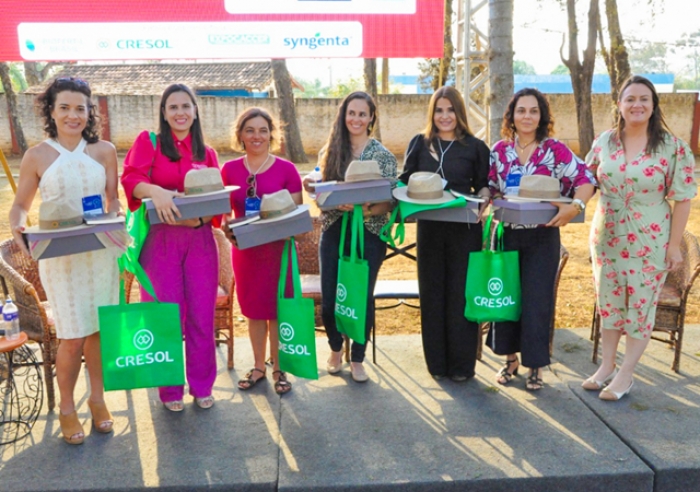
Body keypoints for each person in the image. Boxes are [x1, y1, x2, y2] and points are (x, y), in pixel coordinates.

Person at [9, 77, 121, 444]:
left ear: (90, 112)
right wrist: (17, 225)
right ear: (51, 111)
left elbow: (113, 200)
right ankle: (68, 409)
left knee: (99, 331)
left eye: (80, 108)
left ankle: (98, 400)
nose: (73, 115)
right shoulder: (37, 155)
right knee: (72, 337)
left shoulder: (104, 150)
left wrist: (116, 216)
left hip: (99, 252)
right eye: (65, 108)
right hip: (61, 260)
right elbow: (21, 204)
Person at [584, 75, 697, 400]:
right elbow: (585, 180)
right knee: (609, 304)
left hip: (651, 240)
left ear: (653, 105)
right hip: (607, 239)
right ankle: (606, 366)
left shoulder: (672, 147)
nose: (637, 105)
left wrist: (673, 245)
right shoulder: (604, 142)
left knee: (640, 308)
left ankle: (625, 374)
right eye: (630, 99)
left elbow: (683, 197)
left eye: (644, 99)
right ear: (619, 105)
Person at [488, 87, 596, 391]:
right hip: (506, 235)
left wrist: (576, 205)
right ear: (511, 115)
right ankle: (510, 359)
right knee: (506, 300)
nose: (527, 116)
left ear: (541, 116)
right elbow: (490, 188)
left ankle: (535, 365)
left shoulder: (554, 149)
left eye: (533, 111)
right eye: (521, 110)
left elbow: (586, 179)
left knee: (537, 302)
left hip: (542, 238)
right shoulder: (498, 150)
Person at [121, 83, 219, 412]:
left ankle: (203, 385)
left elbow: (218, 200)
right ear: (163, 112)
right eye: (172, 107)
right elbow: (131, 180)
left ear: (195, 111)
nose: (180, 113)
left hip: (200, 240)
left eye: (185, 106)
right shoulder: (148, 142)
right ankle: (170, 389)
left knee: (202, 317)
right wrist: (157, 192)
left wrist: (201, 219)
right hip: (161, 241)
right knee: (165, 318)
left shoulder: (207, 153)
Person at [303, 91, 397, 383]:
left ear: (371, 118)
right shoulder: (330, 150)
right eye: (351, 113)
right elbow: (322, 197)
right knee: (330, 298)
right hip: (334, 230)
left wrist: (365, 211)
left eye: (362, 114)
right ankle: (334, 348)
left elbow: (392, 201)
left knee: (361, 297)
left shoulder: (383, 155)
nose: (356, 119)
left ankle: (357, 357)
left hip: (369, 233)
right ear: (344, 116)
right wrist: (322, 193)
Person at [398, 86, 490, 382]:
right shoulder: (419, 143)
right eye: (439, 110)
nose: (445, 116)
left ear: (459, 113)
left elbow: (484, 184)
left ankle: (463, 366)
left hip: (464, 230)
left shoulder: (475, 147)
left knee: (460, 296)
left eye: (450, 110)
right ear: (432, 113)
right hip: (430, 230)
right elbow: (404, 180)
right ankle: (436, 364)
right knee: (433, 295)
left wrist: (486, 199)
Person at [221, 107, 302, 395]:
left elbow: (294, 213)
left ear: (271, 135)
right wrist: (228, 229)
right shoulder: (229, 170)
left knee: (278, 310)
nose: (257, 136)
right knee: (254, 311)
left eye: (263, 130)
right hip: (246, 252)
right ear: (240, 135)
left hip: (279, 251)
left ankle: (280, 367)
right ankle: (258, 366)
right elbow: (222, 215)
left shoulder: (287, 169)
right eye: (250, 130)